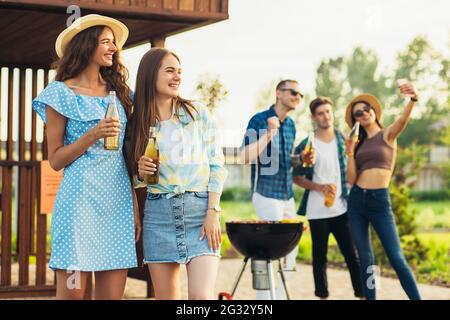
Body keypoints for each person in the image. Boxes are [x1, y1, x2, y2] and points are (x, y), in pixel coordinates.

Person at [32, 14, 139, 300]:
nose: (113, 48)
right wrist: (93, 134)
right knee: (72, 296)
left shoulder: (121, 93)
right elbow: (55, 159)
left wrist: (135, 208)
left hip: (117, 204)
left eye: (113, 43)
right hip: (78, 206)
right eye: (106, 41)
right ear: (86, 45)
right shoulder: (59, 93)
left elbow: (129, 154)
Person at [126, 47, 228, 300]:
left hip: (200, 214)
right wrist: (140, 172)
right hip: (158, 216)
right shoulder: (137, 121)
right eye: (170, 70)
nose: (177, 77)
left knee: (201, 299)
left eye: (179, 72)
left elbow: (217, 163)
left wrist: (213, 212)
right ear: (151, 75)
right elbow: (135, 179)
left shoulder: (197, 113)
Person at [344, 81, 421, 300]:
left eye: (366, 109)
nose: (363, 113)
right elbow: (352, 179)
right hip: (357, 201)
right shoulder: (358, 146)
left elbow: (403, 119)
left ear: (373, 111)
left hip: (379, 201)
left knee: (396, 257)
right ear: (356, 120)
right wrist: (349, 153)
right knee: (366, 259)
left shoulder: (388, 135)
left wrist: (413, 99)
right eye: (358, 113)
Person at [293, 97, 364, 300]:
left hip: (342, 208)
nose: (326, 116)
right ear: (314, 117)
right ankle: (322, 296)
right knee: (319, 258)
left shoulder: (343, 139)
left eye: (328, 111)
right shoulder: (307, 144)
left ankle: (361, 295)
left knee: (352, 256)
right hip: (317, 210)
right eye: (321, 113)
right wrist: (318, 187)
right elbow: (296, 177)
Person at [240, 80, 302, 300]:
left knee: (290, 253)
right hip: (266, 195)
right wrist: (269, 132)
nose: (298, 97)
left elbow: (284, 160)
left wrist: (300, 159)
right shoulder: (259, 120)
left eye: (300, 94)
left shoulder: (292, 125)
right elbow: (244, 157)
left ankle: (282, 297)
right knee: (269, 252)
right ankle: (265, 301)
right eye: (293, 92)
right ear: (278, 93)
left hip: (287, 197)